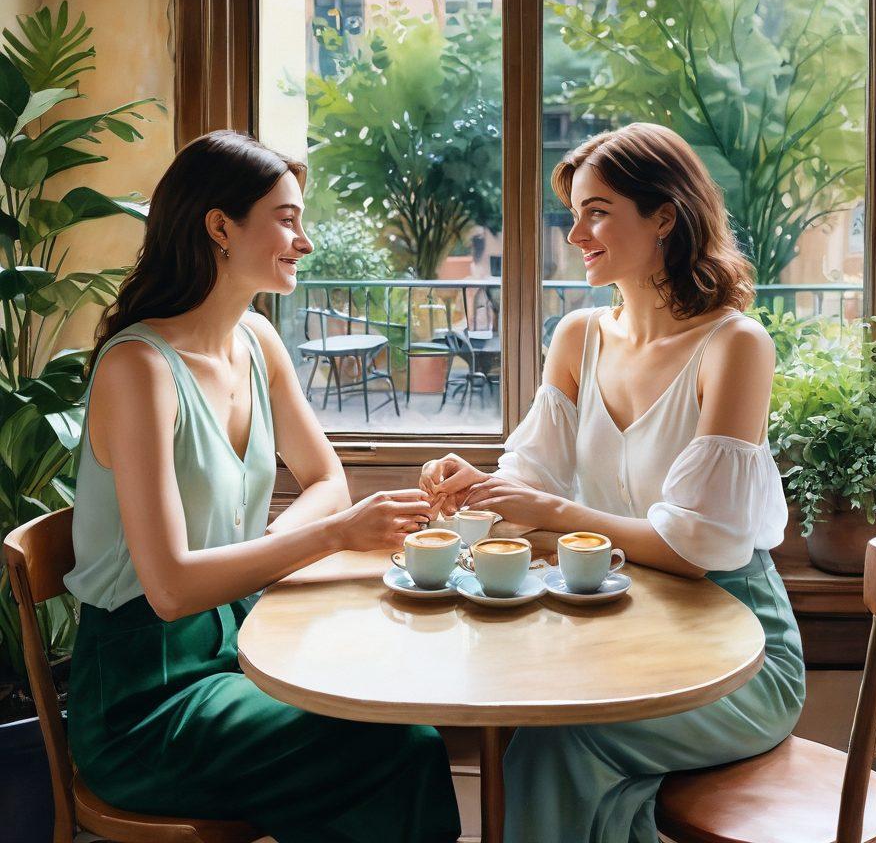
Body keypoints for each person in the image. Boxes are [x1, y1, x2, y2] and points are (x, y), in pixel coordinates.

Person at [64, 130, 460, 843]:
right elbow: (172, 589)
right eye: (285, 218)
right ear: (220, 227)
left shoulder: (256, 342)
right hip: (144, 700)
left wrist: (268, 553)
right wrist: (329, 537)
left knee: (397, 702)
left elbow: (327, 479)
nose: (303, 240)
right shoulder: (140, 370)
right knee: (402, 749)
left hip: (243, 647)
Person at [420, 122, 805, 843]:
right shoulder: (579, 336)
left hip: (738, 659)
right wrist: (474, 487)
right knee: (534, 722)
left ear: (665, 215)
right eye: (575, 213)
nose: (576, 234)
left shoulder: (736, 346)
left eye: (597, 210)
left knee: (558, 742)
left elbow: (696, 551)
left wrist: (550, 510)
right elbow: (526, 483)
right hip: (627, 640)